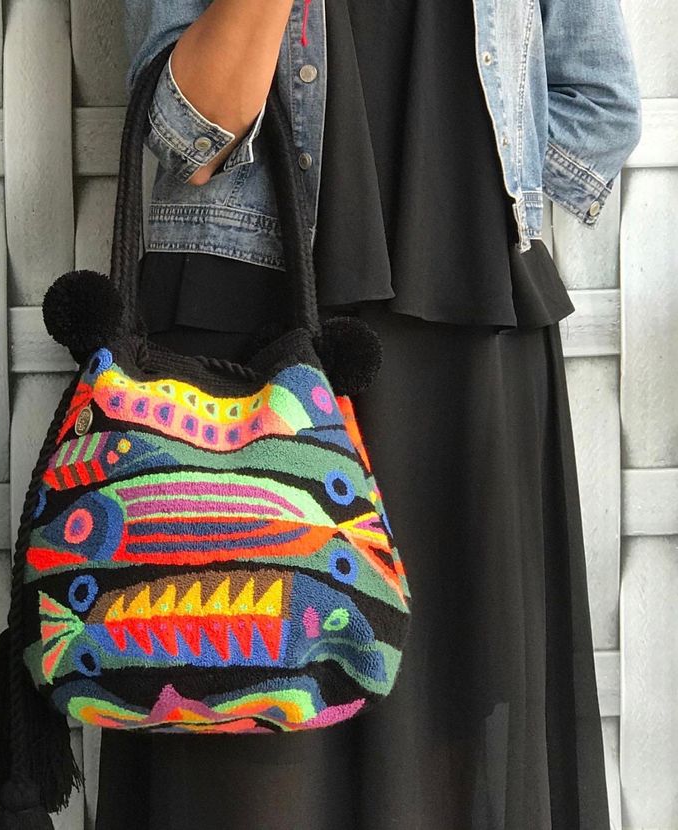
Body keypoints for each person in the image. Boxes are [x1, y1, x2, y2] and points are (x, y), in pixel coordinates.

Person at [94, 1, 643, 827]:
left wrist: (452, 196)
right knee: (246, 726)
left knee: (448, 734)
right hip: (241, 338)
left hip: (461, 335)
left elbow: (598, 110)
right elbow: (186, 130)